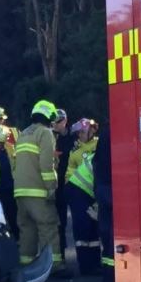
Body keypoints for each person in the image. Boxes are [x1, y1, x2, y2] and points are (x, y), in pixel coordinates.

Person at [13, 100, 67, 275]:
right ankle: (54, 266)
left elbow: (16, 164)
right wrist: (52, 187)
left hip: (20, 191)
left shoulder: (23, 134)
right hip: (38, 191)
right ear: (48, 116)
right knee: (48, 227)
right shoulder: (44, 133)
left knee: (26, 230)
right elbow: (46, 163)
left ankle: (26, 266)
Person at [65, 118, 100, 276]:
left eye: (83, 132)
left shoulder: (100, 145)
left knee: (94, 228)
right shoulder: (75, 152)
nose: (81, 135)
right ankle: (85, 266)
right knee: (82, 227)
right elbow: (70, 174)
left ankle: (94, 264)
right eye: (79, 133)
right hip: (80, 191)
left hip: (93, 191)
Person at [51, 108, 76, 260]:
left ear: (65, 121)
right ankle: (60, 252)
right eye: (53, 122)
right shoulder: (50, 137)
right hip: (57, 184)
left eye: (58, 122)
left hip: (73, 183)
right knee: (59, 222)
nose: (55, 125)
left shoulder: (74, 137)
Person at [92, 125, 114, 282]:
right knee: (114, 237)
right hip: (111, 189)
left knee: (107, 237)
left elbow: (97, 162)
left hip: (102, 188)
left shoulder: (105, 134)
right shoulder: (115, 133)